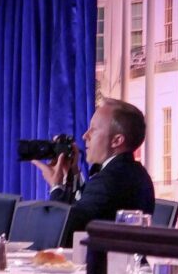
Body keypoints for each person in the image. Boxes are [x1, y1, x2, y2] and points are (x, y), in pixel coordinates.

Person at [32, 98, 155, 246]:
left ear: (116, 140)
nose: (85, 136)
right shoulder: (135, 173)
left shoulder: (109, 181)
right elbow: (86, 209)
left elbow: (64, 232)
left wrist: (56, 186)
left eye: (93, 130)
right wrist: (74, 172)